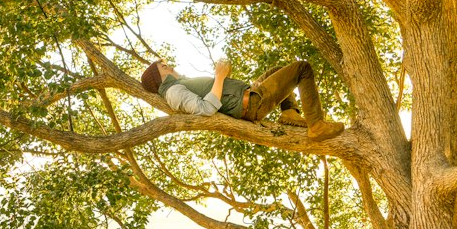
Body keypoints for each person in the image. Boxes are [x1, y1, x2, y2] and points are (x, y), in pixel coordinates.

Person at [139, 57, 345, 140]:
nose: (170, 66)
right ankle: (316, 125)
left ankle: (289, 112)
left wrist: (224, 79)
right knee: (302, 68)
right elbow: (205, 108)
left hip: (250, 95)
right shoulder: (173, 92)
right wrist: (219, 77)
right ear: (160, 77)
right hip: (251, 104)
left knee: (278, 70)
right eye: (164, 67)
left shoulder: (179, 85)